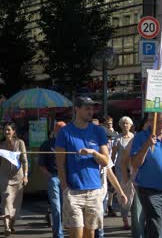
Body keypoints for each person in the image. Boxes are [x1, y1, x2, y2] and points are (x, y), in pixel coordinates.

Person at [55, 96, 110, 238]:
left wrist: (93, 152)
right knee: (77, 233)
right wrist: (65, 187)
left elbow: (105, 161)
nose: (91, 111)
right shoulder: (65, 132)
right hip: (73, 191)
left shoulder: (98, 131)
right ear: (76, 109)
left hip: (94, 190)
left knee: (90, 233)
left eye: (92, 108)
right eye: (87, 108)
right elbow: (60, 163)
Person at [39, 121, 67, 238]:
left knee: (65, 206)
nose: (61, 131)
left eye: (63, 129)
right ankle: (58, 234)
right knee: (56, 206)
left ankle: (63, 230)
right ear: (55, 130)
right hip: (54, 177)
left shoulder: (68, 143)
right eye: (59, 129)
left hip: (67, 178)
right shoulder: (47, 144)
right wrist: (49, 176)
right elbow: (41, 164)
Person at [0, 122, 28, 236]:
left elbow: (25, 160)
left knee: (16, 203)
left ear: (13, 131)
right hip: (4, 176)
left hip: (18, 177)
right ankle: (6, 227)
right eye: (5, 130)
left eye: (8, 130)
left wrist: (26, 176)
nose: (6, 132)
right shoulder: (1, 145)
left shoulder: (20, 143)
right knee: (6, 200)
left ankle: (11, 225)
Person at [112, 116, 134, 230]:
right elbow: (113, 155)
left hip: (133, 168)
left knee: (133, 193)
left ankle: (134, 217)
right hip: (120, 169)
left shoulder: (134, 137)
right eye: (123, 123)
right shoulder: (118, 138)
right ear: (120, 125)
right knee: (124, 193)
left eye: (127, 123)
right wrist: (111, 170)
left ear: (131, 125)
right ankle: (125, 219)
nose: (125, 125)